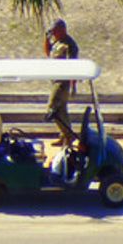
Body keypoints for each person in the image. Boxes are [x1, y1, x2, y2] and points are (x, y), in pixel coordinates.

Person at [44, 18, 80, 149]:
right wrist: (46, 39)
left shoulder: (69, 45)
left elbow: (73, 65)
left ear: (62, 30)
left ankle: (68, 136)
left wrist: (73, 84)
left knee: (52, 107)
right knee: (61, 111)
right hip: (55, 79)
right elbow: (48, 53)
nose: (54, 34)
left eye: (55, 31)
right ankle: (65, 135)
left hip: (63, 82)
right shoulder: (57, 42)